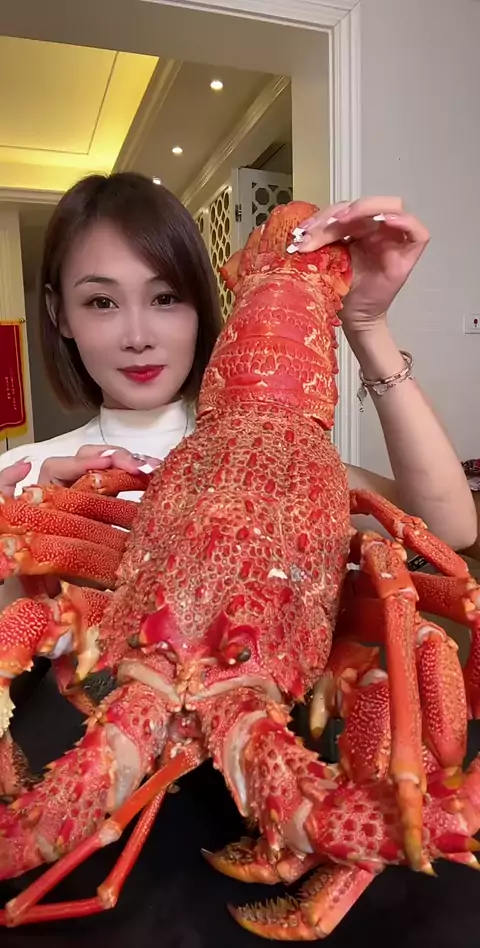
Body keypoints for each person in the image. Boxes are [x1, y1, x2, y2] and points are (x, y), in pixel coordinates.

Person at [0, 175, 475, 557]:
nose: (138, 337)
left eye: (165, 298)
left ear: (200, 304)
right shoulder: (23, 480)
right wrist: (34, 564)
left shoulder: (272, 454)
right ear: (60, 314)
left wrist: (367, 324)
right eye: (102, 302)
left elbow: (447, 529)